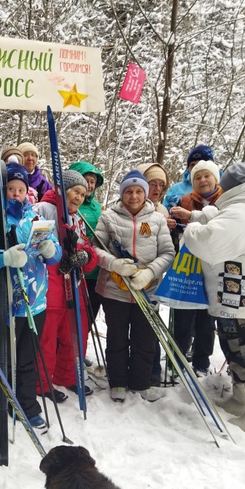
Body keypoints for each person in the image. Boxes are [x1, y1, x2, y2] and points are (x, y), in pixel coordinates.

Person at [0, 163, 61, 433]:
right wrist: (2, 257)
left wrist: (51, 249)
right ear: (2, 190)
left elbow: (55, 255)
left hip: (33, 303)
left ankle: (24, 404)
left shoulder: (35, 219)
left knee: (27, 358)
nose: (16, 194)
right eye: (11, 189)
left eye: (21, 189)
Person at [182, 163, 245, 432]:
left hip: (240, 298)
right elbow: (220, 222)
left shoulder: (240, 213)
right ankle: (241, 400)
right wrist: (202, 217)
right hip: (240, 295)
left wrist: (191, 230)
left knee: (241, 351)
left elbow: (210, 242)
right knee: (234, 347)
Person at [93, 170, 175, 403]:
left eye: (139, 191)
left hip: (147, 291)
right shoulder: (109, 217)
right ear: (122, 194)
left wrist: (150, 272)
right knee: (117, 338)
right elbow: (95, 248)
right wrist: (115, 264)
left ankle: (141, 382)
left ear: (146, 194)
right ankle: (118, 382)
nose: (134, 196)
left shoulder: (157, 219)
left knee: (145, 339)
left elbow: (168, 253)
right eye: (129, 191)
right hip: (114, 289)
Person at [33, 169, 98, 402]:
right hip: (49, 283)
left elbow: (89, 249)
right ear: (62, 191)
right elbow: (34, 245)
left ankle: (68, 375)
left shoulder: (78, 218)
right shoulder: (42, 210)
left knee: (76, 332)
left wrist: (84, 256)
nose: (79, 198)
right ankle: (41, 382)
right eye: (75, 192)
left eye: (83, 194)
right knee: (47, 336)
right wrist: (59, 253)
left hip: (74, 283)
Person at [169, 160, 223, 377]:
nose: (202, 180)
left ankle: (201, 362)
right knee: (182, 318)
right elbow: (173, 234)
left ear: (215, 178)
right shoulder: (184, 200)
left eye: (206, 176)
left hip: (213, 267)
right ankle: (177, 361)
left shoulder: (225, 201)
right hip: (188, 267)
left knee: (206, 321)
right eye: (198, 177)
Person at [136, 162, 177, 384]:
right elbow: (143, 237)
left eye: (161, 184)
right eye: (153, 183)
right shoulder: (134, 205)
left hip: (153, 277)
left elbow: (163, 247)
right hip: (133, 276)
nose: (157, 188)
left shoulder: (161, 210)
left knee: (149, 324)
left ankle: (151, 369)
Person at [68, 160, 105, 347]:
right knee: (71, 316)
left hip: (95, 271)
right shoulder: (69, 203)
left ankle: (79, 349)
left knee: (88, 315)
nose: (90, 185)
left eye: (93, 181)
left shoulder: (98, 208)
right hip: (74, 271)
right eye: (86, 179)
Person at [163, 144, 215, 211]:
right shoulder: (175, 189)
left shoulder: (223, 187)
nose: (195, 168)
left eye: (200, 164)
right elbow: (164, 214)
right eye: (192, 165)